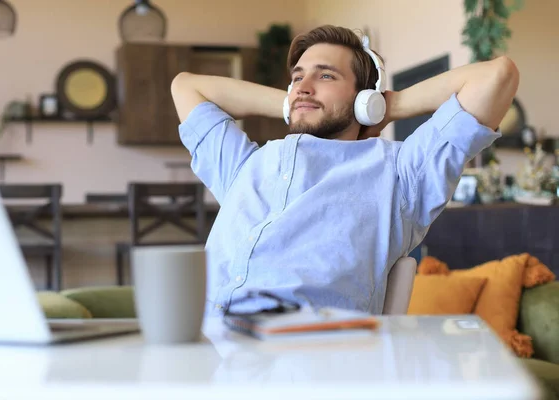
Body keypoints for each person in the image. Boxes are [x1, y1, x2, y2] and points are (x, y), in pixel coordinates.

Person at [170, 25, 519, 316]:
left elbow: (496, 77)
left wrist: (384, 107)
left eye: (325, 75)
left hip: (303, 362)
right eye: (297, 78)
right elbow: (186, 86)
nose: (303, 87)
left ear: (364, 97)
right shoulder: (246, 165)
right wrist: (293, 103)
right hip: (203, 350)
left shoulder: (400, 174)